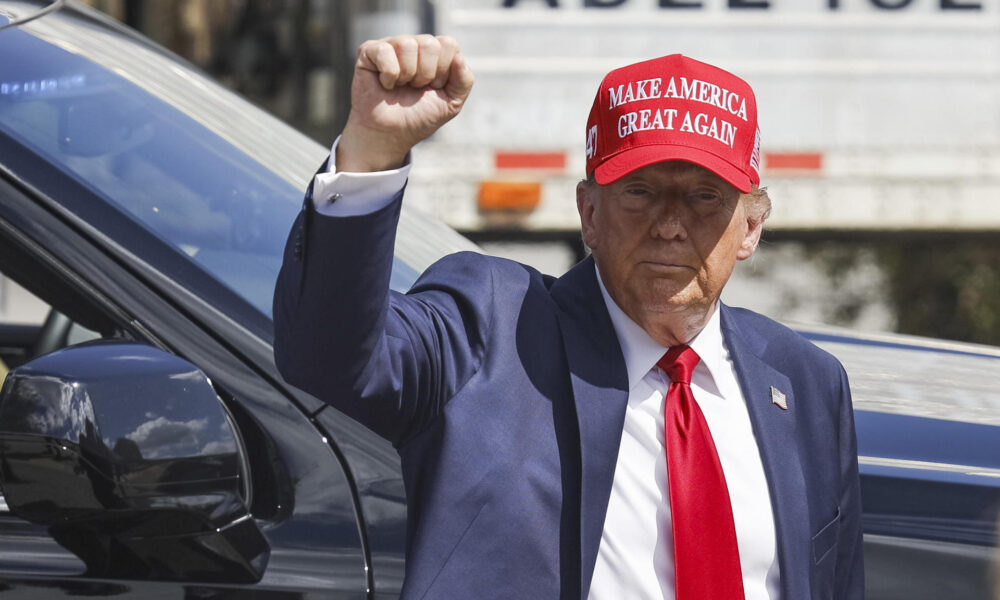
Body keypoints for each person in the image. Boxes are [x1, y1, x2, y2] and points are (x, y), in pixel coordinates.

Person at [274, 34, 863, 600]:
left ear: (751, 228)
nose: (669, 224)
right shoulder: (493, 327)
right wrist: (372, 154)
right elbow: (328, 356)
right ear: (588, 214)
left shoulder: (806, 382)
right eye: (639, 192)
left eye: (705, 197)